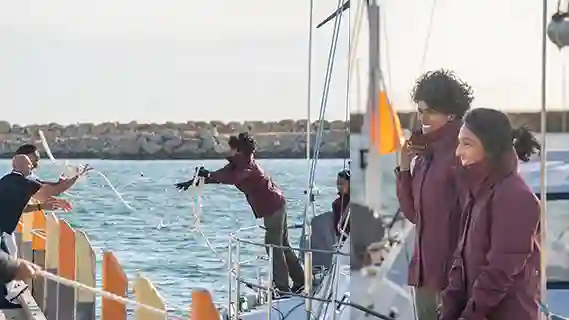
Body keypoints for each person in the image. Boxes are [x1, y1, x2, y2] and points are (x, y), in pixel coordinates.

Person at [440, 108, 541, 320]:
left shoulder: (515, 195)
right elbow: (461, 264)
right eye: (459, 142)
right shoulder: (477, 192)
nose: (458, 151)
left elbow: (500, 271)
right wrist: (449, 311)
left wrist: (469, 316)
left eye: (467, 144)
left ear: (490, 149)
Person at [175, 133, 305, 294]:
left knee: (273, 247)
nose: (228, 150)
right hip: (276, 204)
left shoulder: (247, 166)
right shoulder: (238, 164)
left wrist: (208, 174)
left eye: (231, 148)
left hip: (273, 208)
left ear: (237, 150)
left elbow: (232, 178)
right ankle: (301, 281)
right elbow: (221, 176)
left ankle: (283, 289)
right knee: (282, 246)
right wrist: (193, 181)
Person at [395, 70, 474, 319]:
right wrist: (404, 168)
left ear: (449, 112)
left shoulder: (462, 153)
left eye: (428, 111)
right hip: (425, 274)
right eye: (420, 110)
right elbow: (413, 214)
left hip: (453, 279)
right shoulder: (425, 153)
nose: (422, 117)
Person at [332, 169, 350, 240]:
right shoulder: (336, 203)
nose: (339, 187)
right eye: (338, 184)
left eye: (342, 184)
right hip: (343, 238)